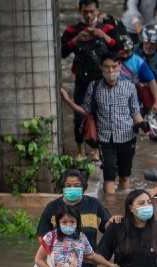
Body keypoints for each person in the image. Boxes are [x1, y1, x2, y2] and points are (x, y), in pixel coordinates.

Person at [36, 169, 113, 267]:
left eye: (76, 185)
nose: (72, 188)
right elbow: (42, 236)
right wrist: (53, 261)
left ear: (83, 187)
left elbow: (107, 228)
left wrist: (114, 222)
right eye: (68, 185)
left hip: (86, 265)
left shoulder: (94, 205)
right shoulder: (52, 207)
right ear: (62, 187)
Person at [60, 0, 123, 154]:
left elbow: (120, 49)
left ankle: (97, 151)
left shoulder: (108, 28)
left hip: (102, 79)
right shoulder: (72, 30)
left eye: (91, 11)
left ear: (97, 11)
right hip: (81, 78)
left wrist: (103, 36)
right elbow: (61, 52)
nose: (88, 15)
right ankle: (80, 151)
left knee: (101, 113)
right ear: (80, 11)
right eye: (85, 12)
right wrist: (76, 40)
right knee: (79, 115)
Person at [82, 53, 148, 193]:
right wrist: (68, 101)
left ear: (120, 67)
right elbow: (86, 111)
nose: (110, 71)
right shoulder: (94, 87)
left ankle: (123, 202)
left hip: (127, 137)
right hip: (105, 139)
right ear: (101, 67)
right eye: (107, 67)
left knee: (125, 176)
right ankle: (110, 204)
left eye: (114, 67)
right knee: (109, 175)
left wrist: (143, 124)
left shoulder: (129, 86)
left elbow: (135, 112)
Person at [117, 34, 157, 112]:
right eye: (122, 52)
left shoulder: (138, 62)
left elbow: (151, 81)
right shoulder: (112, 60)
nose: (125, 55)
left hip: (134, 98)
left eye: (127, 52)